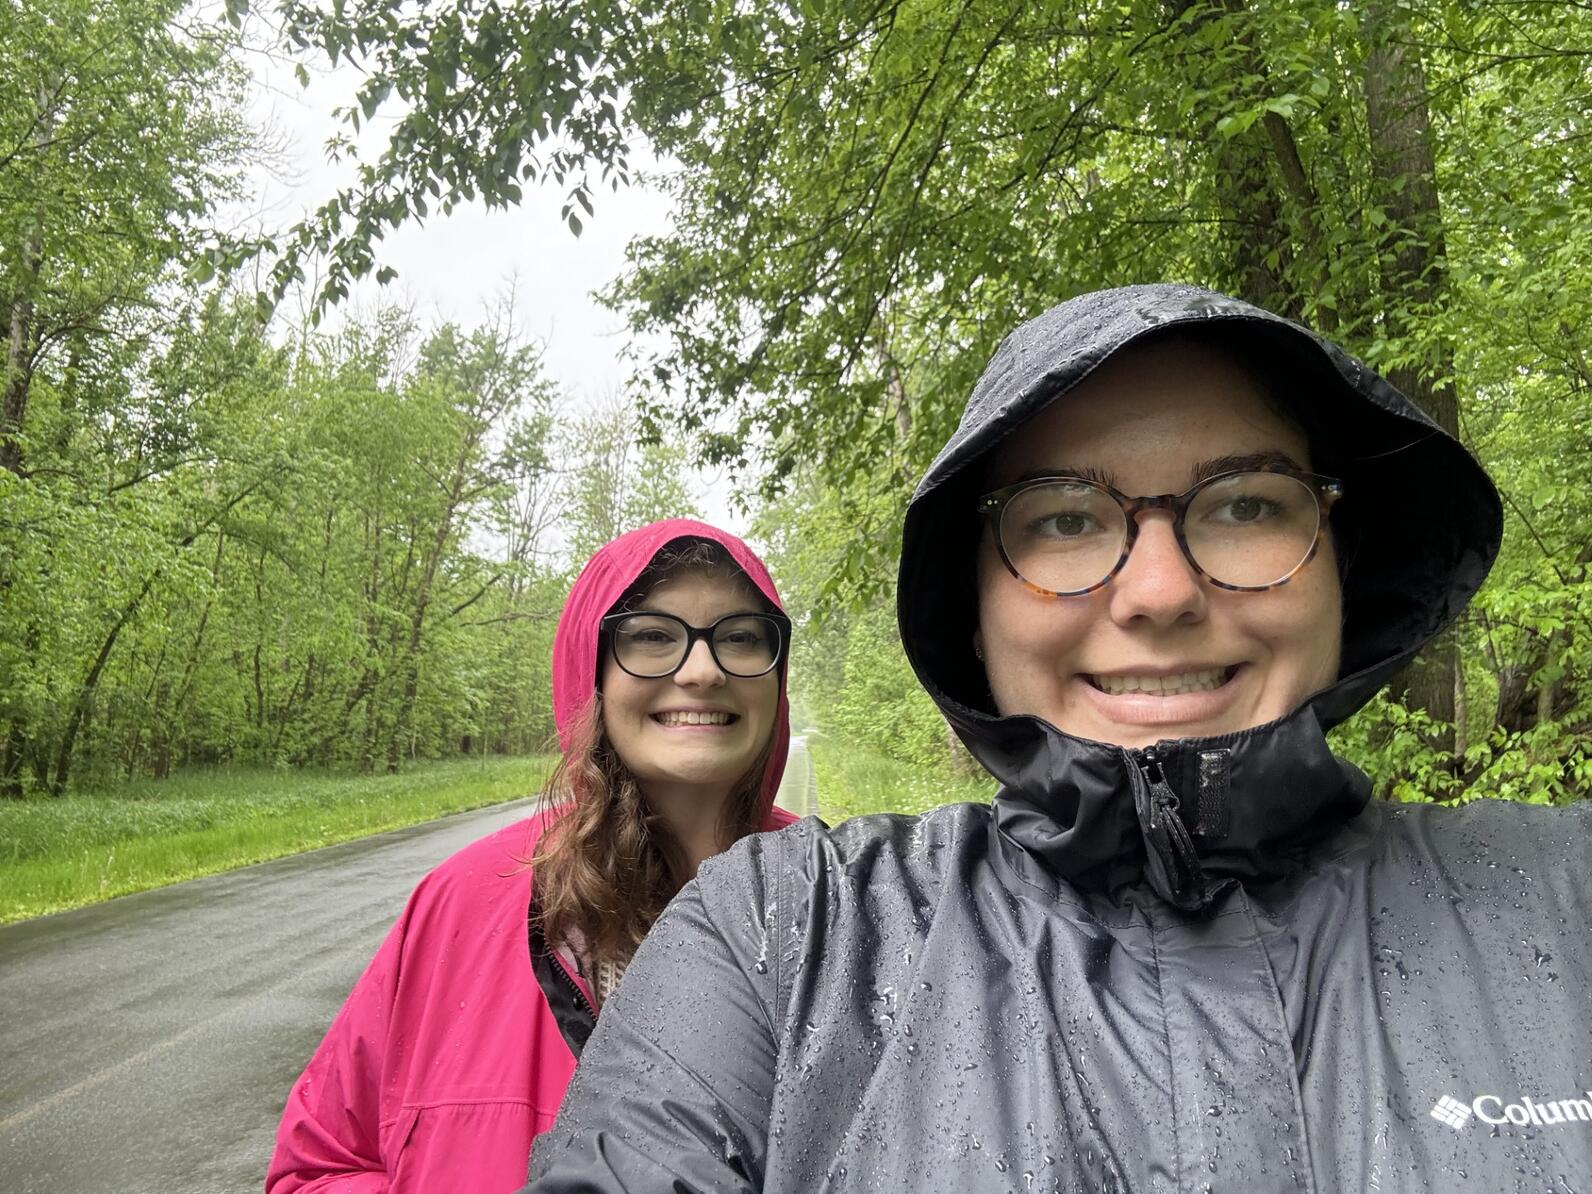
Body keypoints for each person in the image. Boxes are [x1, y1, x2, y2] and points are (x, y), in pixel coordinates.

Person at [525, 285, 1592, 1191]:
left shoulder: (1564, 897)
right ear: (974, 607)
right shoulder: (780, 939)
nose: (1162, 591)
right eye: (1065, 519)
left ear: (1338, 567)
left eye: (1246, 505)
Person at [266, 519, 798, 1193]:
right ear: (591, 671)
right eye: (653, 636)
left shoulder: (850, 902)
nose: (702, 669)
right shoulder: (463, 899)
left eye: (741, 638)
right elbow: (320, 1164)